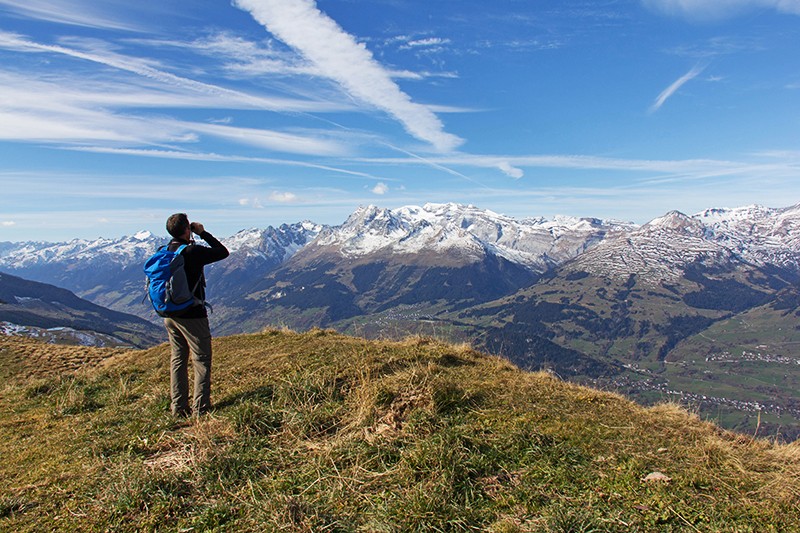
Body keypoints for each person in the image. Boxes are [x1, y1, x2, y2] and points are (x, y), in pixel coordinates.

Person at [163, 213, 229, 417]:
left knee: (178, 359)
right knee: (201, 359)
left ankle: (178, 408)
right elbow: (222, 252)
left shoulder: (166, 251)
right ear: (186, 230)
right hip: (192, 314)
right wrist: (202, 233)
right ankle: (201, 409)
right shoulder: (192, 251)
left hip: (169, 314)